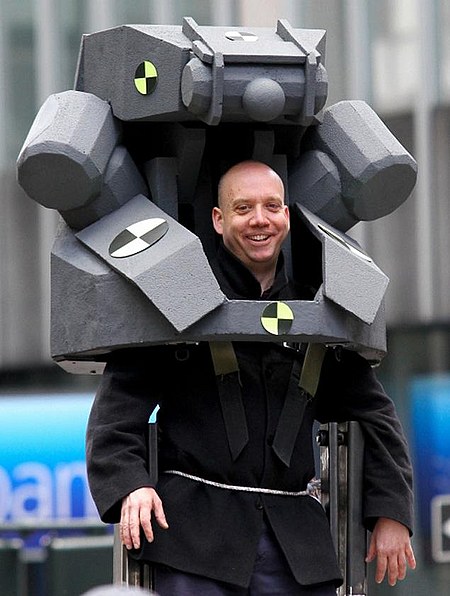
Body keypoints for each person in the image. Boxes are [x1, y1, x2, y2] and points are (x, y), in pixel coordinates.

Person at [86, 161, 416, 595]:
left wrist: (391, 512)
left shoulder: (318, 313)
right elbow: (113, 419)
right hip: (195, 547)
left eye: (271, 206)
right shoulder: (174, 304)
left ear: (286, 216)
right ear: (218, 219)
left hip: (296, 552)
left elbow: (376, 417)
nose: (260, 220)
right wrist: (132, 487)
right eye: (243, 208)